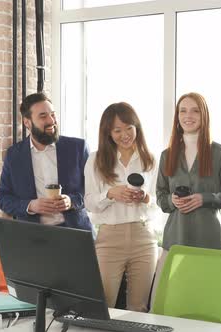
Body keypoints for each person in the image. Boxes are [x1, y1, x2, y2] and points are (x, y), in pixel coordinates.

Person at [152, 92, 221, 303]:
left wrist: (205, 198)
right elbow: (161, 197)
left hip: (209, 242)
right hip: (175, 242)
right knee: (171, 306)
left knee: (208, 305)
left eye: (194, 110)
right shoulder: (167, 155)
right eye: (183, 110)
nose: (187, 115)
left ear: (204, 115)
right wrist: (172, 200)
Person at [84, 102, 158, 312]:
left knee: (139, 308)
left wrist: (145, 198)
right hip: (109, 239)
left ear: (137, 127)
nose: (124, 134)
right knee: (103, 306)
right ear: (108, 132)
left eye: (129, 128)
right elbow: (89, 203)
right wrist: (110, 193)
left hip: (144, 237)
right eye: (117, 130)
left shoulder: (150, 159)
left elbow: (158, 203)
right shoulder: (96, 160)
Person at [0, 92, 91, 231]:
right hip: (32, 237)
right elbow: (3, 198)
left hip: (75, 233)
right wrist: (30, 206)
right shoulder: (14, 155)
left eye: (52, 114)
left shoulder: (78, 148)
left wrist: (71, 201)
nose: (51, 121)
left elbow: (92, 191)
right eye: (43, 116)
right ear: (27, 122)